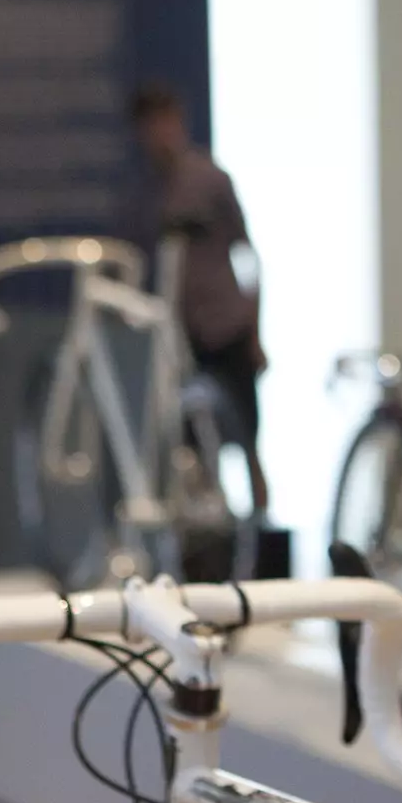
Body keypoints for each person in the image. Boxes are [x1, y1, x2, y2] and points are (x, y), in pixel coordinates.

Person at [132, 81, 268, 515]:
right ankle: (216, 530)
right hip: (181, 334)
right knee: (193, 441)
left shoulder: (209, 179)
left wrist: (254, 327)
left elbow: (247, 254)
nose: (160, 134)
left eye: (165, 122)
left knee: (248, 437)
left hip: (226, 325)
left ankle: (261, 525)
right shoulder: (149, 191)